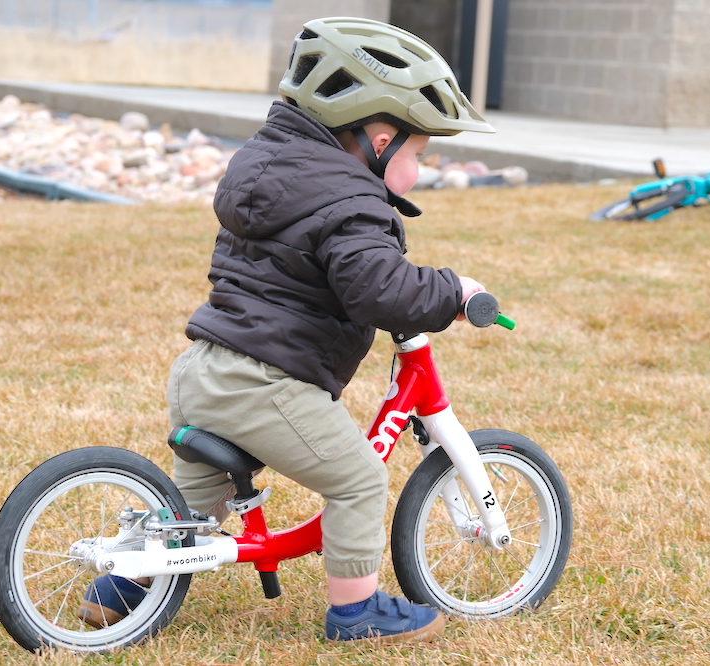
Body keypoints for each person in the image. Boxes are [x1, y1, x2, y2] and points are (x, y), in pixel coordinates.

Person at [79, 16, 497, 642]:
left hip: (204, 370)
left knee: (192, 509)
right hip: (266, 383)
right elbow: (378, 288)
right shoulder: (353, 204)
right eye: (417, 155)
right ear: (379, 140)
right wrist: (452, 293)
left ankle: (115, 590)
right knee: (359, 480)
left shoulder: (274, 172)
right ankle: (357, 613)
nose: (418, 171)